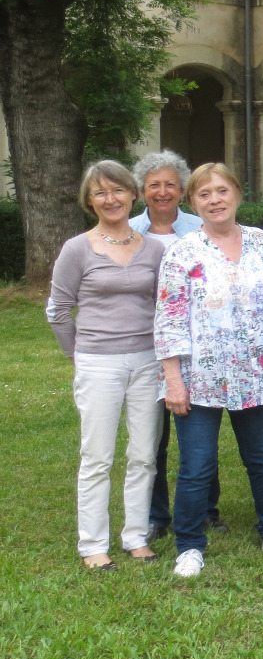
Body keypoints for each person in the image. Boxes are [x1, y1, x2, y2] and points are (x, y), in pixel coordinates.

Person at [152, 163, 263, 578]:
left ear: (237, 193)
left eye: (221, 190)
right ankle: (189, 545)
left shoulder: (262, 242)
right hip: (200, 378)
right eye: (203, 194)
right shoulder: (181, 252)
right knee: (197, 465)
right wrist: (173, 381)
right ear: (193, 202)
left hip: (255, 371)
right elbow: (169, 319)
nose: (214, 200)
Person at [48, 161, 167, 569]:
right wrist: (76, 355)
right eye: (100, 193)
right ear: (89, 201)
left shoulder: (154, 248)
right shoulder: (77, 249)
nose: (110, 199)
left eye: (117, 190)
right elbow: (59, 310)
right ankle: (92, 546)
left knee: (144, 455)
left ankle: (136, 536)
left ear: (133, 194)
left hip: (147, 361)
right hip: (98, 362)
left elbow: (164, 308)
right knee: (97, 457)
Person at [130, 150, 218, 539]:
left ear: (183, 191)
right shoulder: (129, 230)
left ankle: (207, 508)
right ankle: (156, 515)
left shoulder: (203, 226)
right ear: (141, 191)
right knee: (154, 434)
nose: (162, 192)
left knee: (202, 430)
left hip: (200, 346)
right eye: (154, 185)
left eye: (169, 184)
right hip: (144, 343)